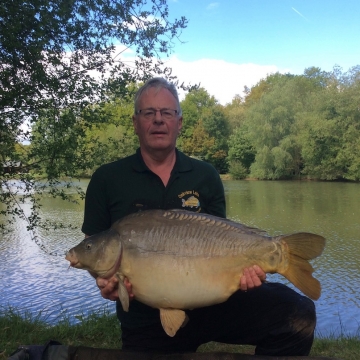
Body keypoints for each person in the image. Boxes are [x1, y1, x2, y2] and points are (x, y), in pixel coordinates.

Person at [81, 77, 316, 356]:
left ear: (179, 123)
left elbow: (223, 241)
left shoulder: (205, 175)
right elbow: (94, 249)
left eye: (167, 112)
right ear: (135, 123)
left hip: (215, 304)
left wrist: (249, 271)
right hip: (146, 319)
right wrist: (105, 283)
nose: (158, 120)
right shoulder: (107, 179)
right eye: (149, 113)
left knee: (298, 316)